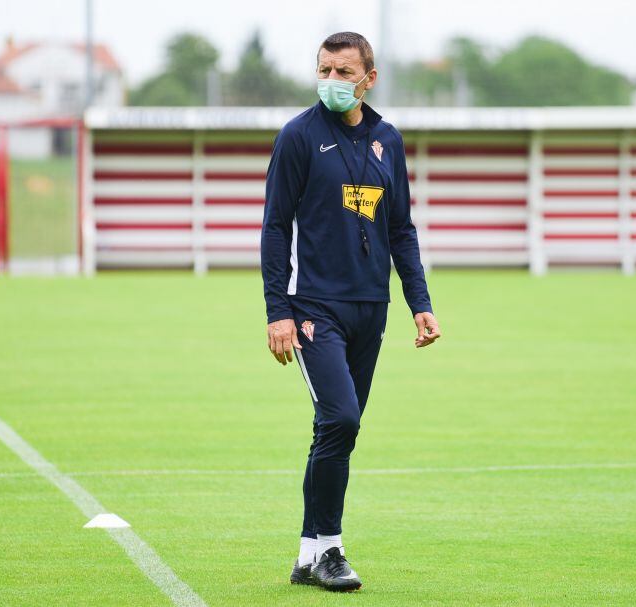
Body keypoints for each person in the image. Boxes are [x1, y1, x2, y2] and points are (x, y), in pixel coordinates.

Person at [260, 31, 442, 592]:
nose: (333, 82)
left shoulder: (389, 140)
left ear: (370, 77)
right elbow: (274, 227)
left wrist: (420, 304)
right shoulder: (298, 137)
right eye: (324, 70)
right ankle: (333, 549)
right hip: (315, 307)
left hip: (372, 307)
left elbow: (401, 229)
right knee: (341, 418)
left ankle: (307, 554)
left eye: (344, 72)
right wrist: (278, 311)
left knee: (336, 431)